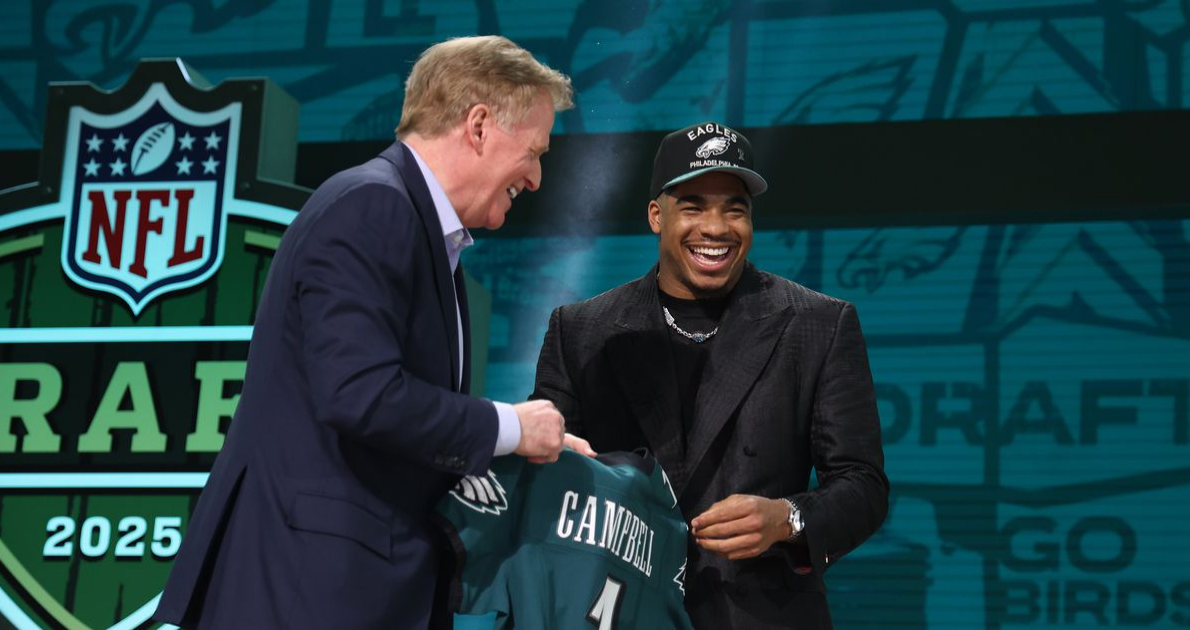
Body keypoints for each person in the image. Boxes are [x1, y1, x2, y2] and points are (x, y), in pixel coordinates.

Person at [155, 36, 582, 629]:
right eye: (533, 153)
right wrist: (509, 426)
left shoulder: (421, 228)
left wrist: (527, 450)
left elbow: (400, 427)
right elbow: (361, 394)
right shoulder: (373, 206)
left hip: (346, 590)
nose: (535, 178)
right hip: (306, 591)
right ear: (479, 126)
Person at [532, 121, 890, 629]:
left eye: (734, 209)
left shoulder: (819, 324)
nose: (717, 228)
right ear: (657, 215)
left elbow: (863, 484)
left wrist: (786, 518)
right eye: (694, 206)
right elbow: (547, 476)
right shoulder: (581, 330)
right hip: (615, 611)